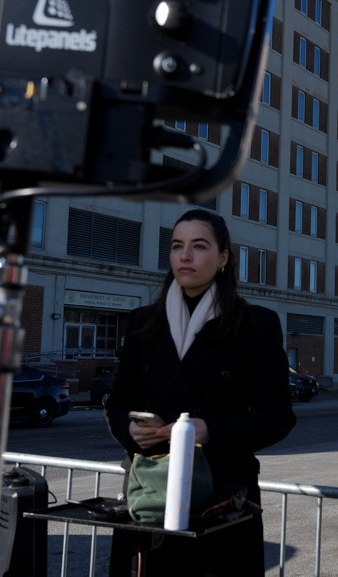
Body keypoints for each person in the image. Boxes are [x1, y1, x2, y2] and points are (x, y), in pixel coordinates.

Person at [105, 209, 296, 576]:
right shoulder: (144, 323)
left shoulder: (256, 324)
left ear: (223, 257)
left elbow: (278, 416)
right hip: (151, 493)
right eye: (177, 246)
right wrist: (130, 431)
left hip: (223, 500)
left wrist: (212, 430)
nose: (185, 256)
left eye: (199, 246)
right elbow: (118, 402)